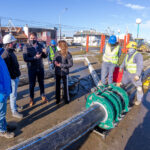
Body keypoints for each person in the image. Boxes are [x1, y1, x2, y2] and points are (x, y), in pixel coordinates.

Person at [23, 32, 48, 107]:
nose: (33, 39)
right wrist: (34, 58)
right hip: (32, 68)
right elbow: (25, 58)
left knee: (41, 83)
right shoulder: (26, 47)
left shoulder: (40, 45)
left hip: (40, 67)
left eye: (34, 38)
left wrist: (45, 53)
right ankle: (31, 98)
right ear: (29, 38)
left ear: (37, 38)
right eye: (31, 38)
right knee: (32, 84)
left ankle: (43, 96)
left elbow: (44, 56)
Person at [1, 33, 23, 119]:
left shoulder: (10, 52)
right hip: (12, 78)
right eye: (13, 42)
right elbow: (6, 70)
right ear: (9, 43)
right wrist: (13, 76)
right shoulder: (5, 54)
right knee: (13, 94)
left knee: (14, 94)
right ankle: (14, 111)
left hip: (15, 76)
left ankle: (14, 106)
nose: (15, 43)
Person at [120, 41, 143, 105]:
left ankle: (139, 100)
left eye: (129, 48)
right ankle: (122, 97)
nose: (128, 49)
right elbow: (124, 62)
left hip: (134, 75)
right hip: (127, 74)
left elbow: (140, 65)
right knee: (122, 85)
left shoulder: (138, 55)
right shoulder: (127, 54)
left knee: (139, 88)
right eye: (128, 48)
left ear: (133, 48)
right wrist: (121, 67)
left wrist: (137, 75)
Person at [0, 48, 15, 138]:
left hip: (4, 90)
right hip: (1, 91)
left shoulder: (0, 56)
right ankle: (2, 130)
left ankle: (4, 126)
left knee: (3, 111)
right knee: (1, 112)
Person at [53, 40, 73, 104]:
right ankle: (57, 99)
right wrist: (54, 62)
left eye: (58, 45)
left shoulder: (68, 54)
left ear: (62, 46)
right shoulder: (57, 53)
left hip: (64, 73)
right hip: (57, 72)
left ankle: (66, 99)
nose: (57, 46)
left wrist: (60, 65)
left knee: (65, 87)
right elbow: (54, 59)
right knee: (57, 86)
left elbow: (70, 64)